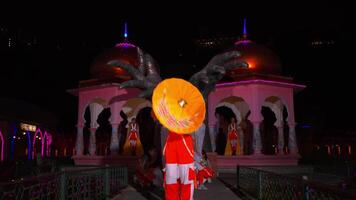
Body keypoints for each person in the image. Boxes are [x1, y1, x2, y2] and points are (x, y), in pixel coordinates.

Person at [152, 110, 195, 200]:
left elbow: (192, 129)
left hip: (184, 146)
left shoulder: (188, 116)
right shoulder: (166, 122)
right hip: (171, 145)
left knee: (186, 180)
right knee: (170, 181)